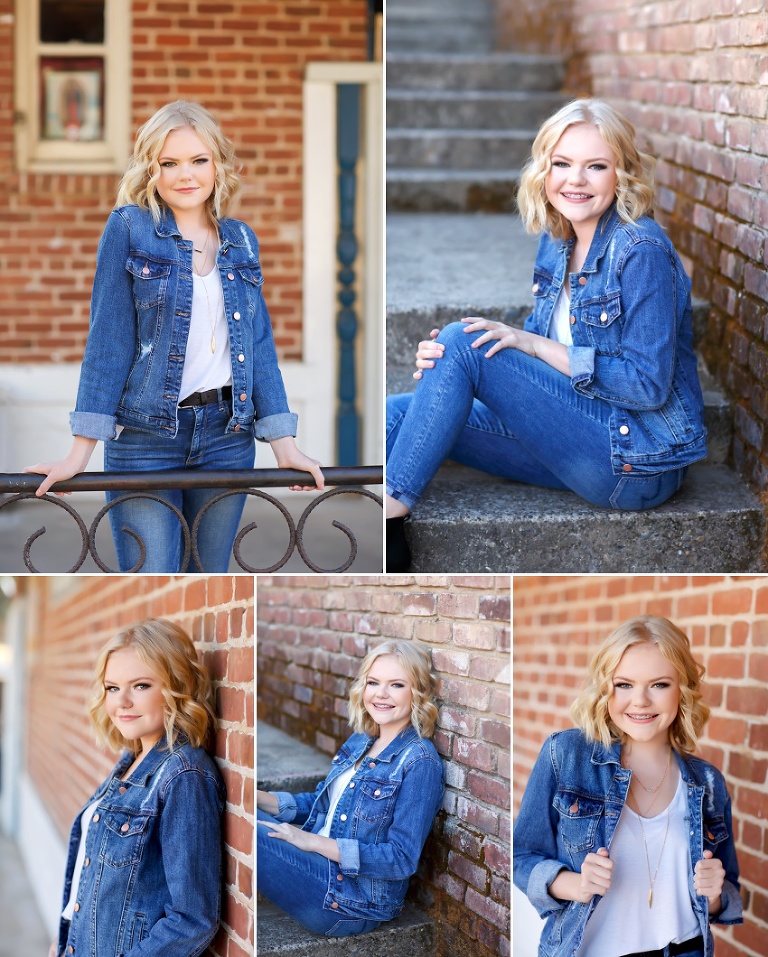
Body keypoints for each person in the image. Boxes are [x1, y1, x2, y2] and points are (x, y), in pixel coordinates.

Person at [385, 98, 707, 571]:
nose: (575, 180)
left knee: (463, 344)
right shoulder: (559, 239)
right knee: (394, 414)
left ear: (623, 175)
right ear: (544, 169)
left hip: (634, 458)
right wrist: (449, 369)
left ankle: (391, 518)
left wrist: (522, 345)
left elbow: (647, 383)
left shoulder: (641, 251)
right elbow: (533, 360)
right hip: (574, 436)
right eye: (562, 163)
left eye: (596, 166)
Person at [26, 100, 323, 572]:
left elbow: (258, 346)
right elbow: (109, 343)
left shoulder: (241, 239)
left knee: (210, 577)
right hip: (145, 438)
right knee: (151, 574)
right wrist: (79, 453)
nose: (186, 175)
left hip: (229, 435)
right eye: (170, 163)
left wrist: (284, 443)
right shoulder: (129, 229)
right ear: (152, 170)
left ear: (218, 164)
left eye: (198, 160)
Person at [513, 616, 742, 957]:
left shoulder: (707, 782)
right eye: (624, 685)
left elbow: (725, 895)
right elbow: (520, 857)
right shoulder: (566, 754)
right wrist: (577, 884)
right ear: (606, 689)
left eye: (659, 685)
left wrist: (714, 895)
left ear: (683, 690)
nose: (640, 701)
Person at [50, 618, 226, 957]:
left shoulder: (182, 775)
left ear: (177, 686)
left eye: (141, 686)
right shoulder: (130, 760)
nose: (121, 702)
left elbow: (193, 920)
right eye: (112, 688)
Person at [256, 640, 444, 937]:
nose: (381, 694)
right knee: (237, 806)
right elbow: (322, 802)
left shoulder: (420, 762)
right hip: (316, 866)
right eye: (373, 682)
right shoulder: (360, 740)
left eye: (396, 685)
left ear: (417, 692)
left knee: (243, 826)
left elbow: (400, 858)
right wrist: (255, 797)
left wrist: (311, 842)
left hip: (350, 898)